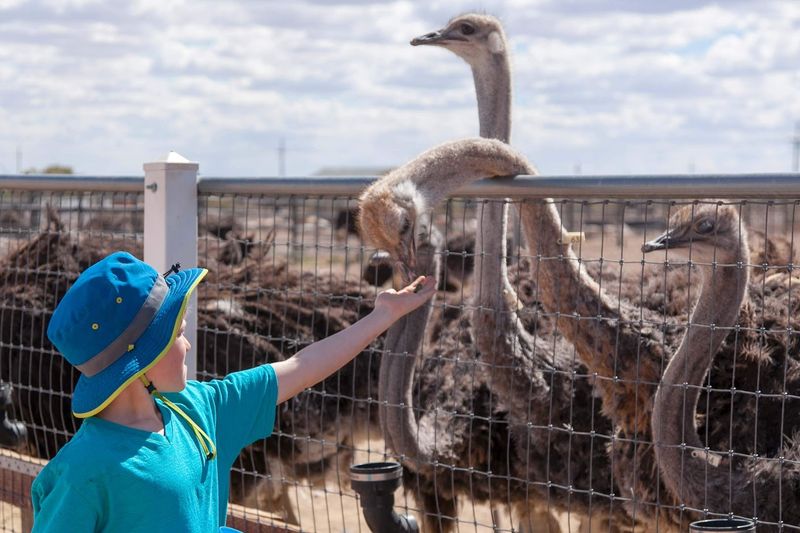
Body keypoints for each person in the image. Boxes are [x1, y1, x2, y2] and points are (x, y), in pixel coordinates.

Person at [31, 251, 435, 532]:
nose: (188, 344)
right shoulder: (81, 475)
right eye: (178, 335)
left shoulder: (199, 409)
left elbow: (301, 367)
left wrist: (383, 316)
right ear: (140, 360)